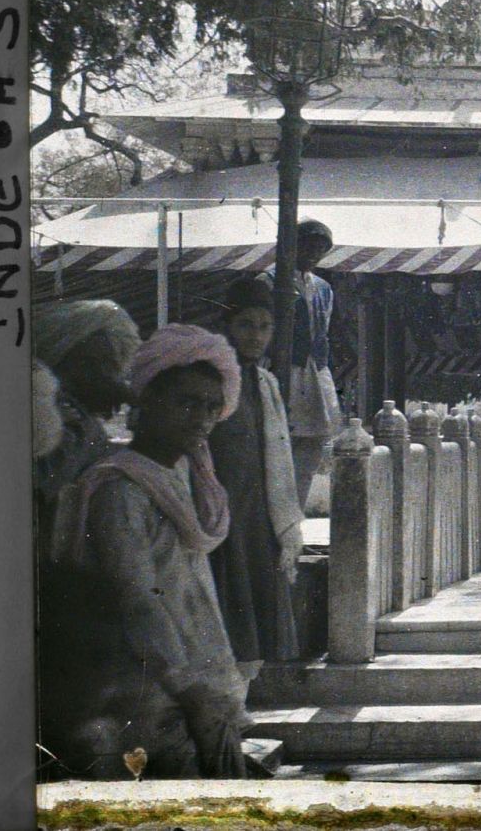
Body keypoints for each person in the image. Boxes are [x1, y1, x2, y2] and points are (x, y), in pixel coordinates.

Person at [45, 325, 251, 779]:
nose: (201, 418)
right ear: (149, 400)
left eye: (211, 407)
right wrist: (189, 690)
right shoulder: (120, 488)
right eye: (187, 403)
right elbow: (138, 599)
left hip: (199, 680)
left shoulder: (182, 477)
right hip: (146, 691)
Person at [207, 277, 305, 677]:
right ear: (227, 326)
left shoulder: (266, 384)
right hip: (219, 513)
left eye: (265, 327)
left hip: (257, 515)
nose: (256, 336)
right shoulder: (211, 380)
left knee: (255, 621)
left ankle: (239, 699)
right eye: (246, 324)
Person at [32, 300, 143, 539]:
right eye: (88, 364)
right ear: (59, 361)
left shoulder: (83, 421)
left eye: (109, 365)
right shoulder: (50, 420)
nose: (102, 375)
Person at [273, 219, 343, 509]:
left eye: (320, 249)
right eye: (308, 246)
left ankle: (297, 510)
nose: (313, 254)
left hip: (315, 371)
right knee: (282, 444)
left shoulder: (323, 288)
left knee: (313, 443)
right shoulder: (271, 281)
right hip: (284, 369)